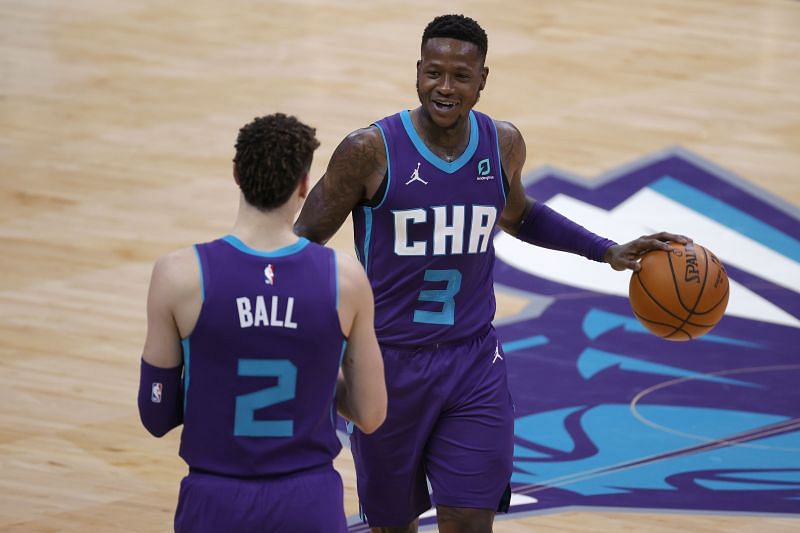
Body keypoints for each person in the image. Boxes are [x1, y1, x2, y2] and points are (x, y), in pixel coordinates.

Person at [294, 14, 690, 533]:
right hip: (387, 364)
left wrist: (606, 250)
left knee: (470, 519)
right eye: (434, 72)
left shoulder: (501, 144)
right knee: (394, 525)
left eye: (461, 75)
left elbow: (520, 214)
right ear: (417, 72)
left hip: (473, 362)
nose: (445, 87)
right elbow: (301, 244)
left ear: (483, 78)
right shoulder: (369, 151)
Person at [137, 113, 387, 533]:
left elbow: (155, 414)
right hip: (308, 501)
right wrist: (315, 374)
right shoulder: (343, 279)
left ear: (236, 174)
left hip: (214, 501)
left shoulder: (178, 275)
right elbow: (371, 412)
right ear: (305, 185)